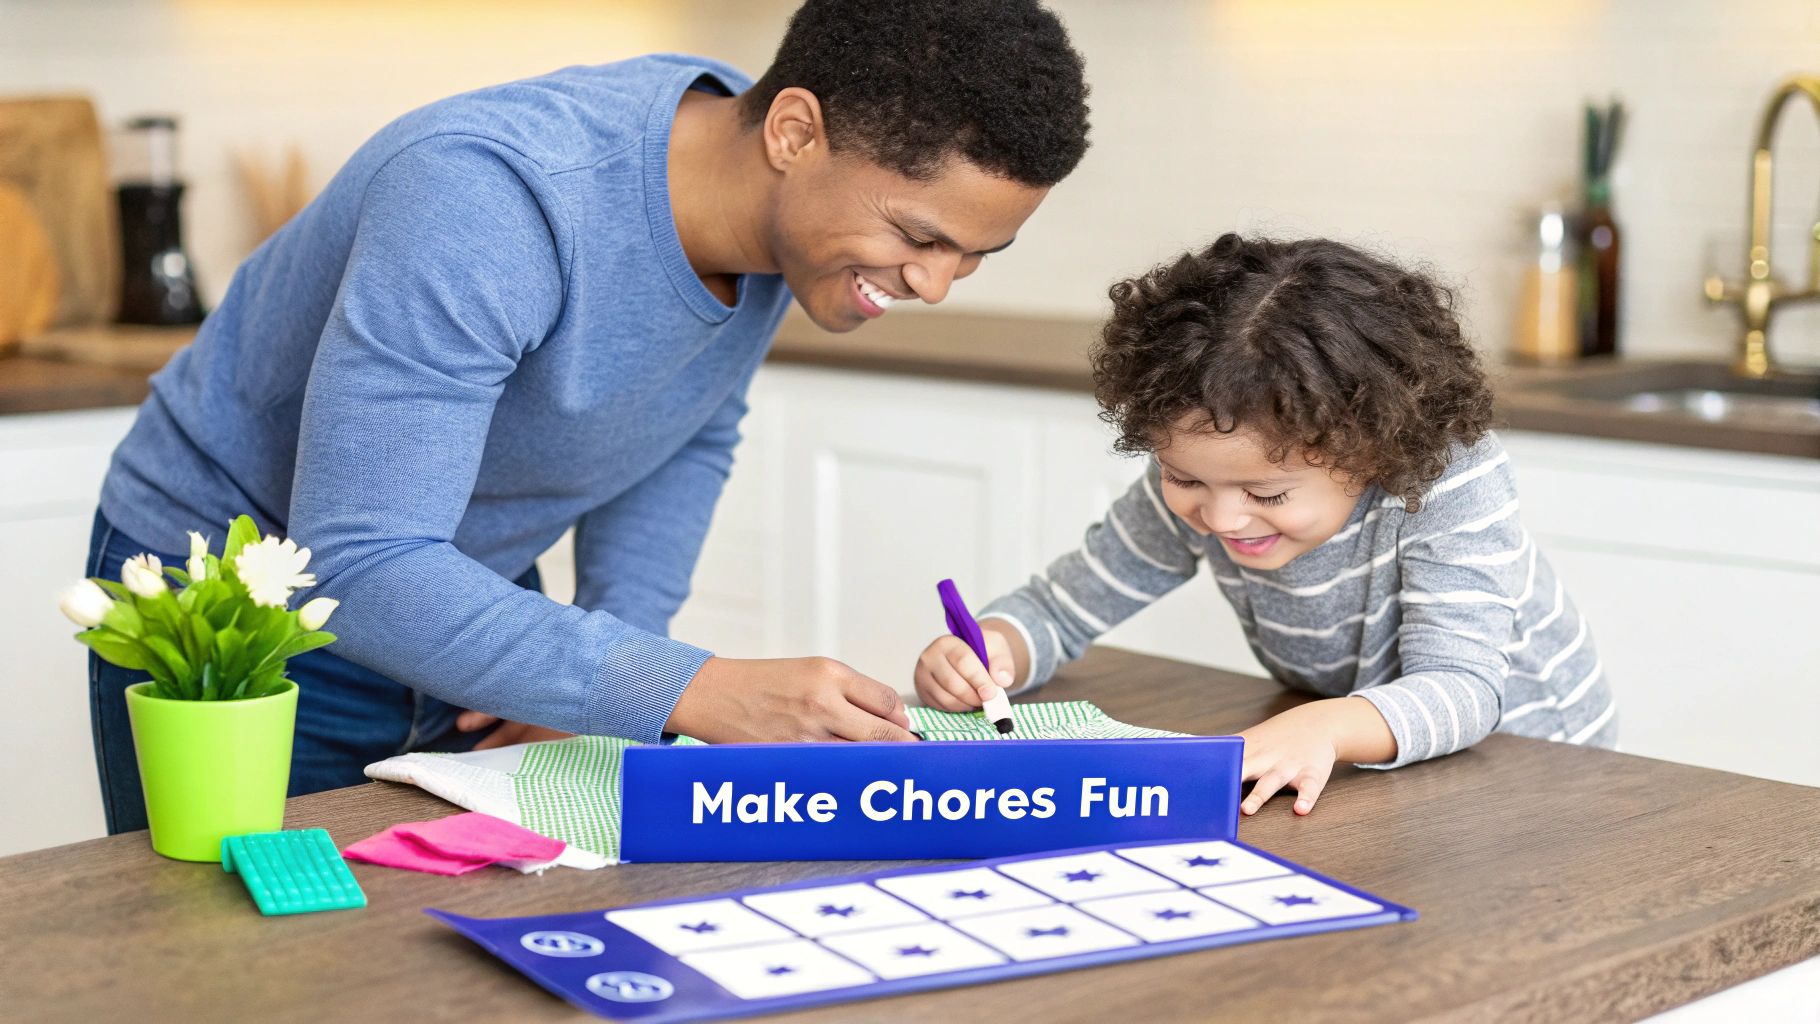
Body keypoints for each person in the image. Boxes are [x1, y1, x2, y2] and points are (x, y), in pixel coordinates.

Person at [86, 0, 1092, 834]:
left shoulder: (782, 220)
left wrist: (607, 669)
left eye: (973, 255)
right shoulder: (489, 197)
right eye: (919, 236)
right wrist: (686, 688)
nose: (933, 284)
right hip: (239, 604)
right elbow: (361, 562)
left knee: (449, 957)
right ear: (793, 133)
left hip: (463, 596)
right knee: (246, 964)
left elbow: (686, 429)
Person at [912, 233, 1616, 816]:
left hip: (1533, 762)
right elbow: (1060, 607)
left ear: (1369, 451)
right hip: (1355, 744)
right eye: (1184, 479)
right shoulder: (1207, 474)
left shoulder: (1447, 482)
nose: (1220, 516)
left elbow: (1464, 690)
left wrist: (1324, 727)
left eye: (1268, 493)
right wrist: (996, 649)